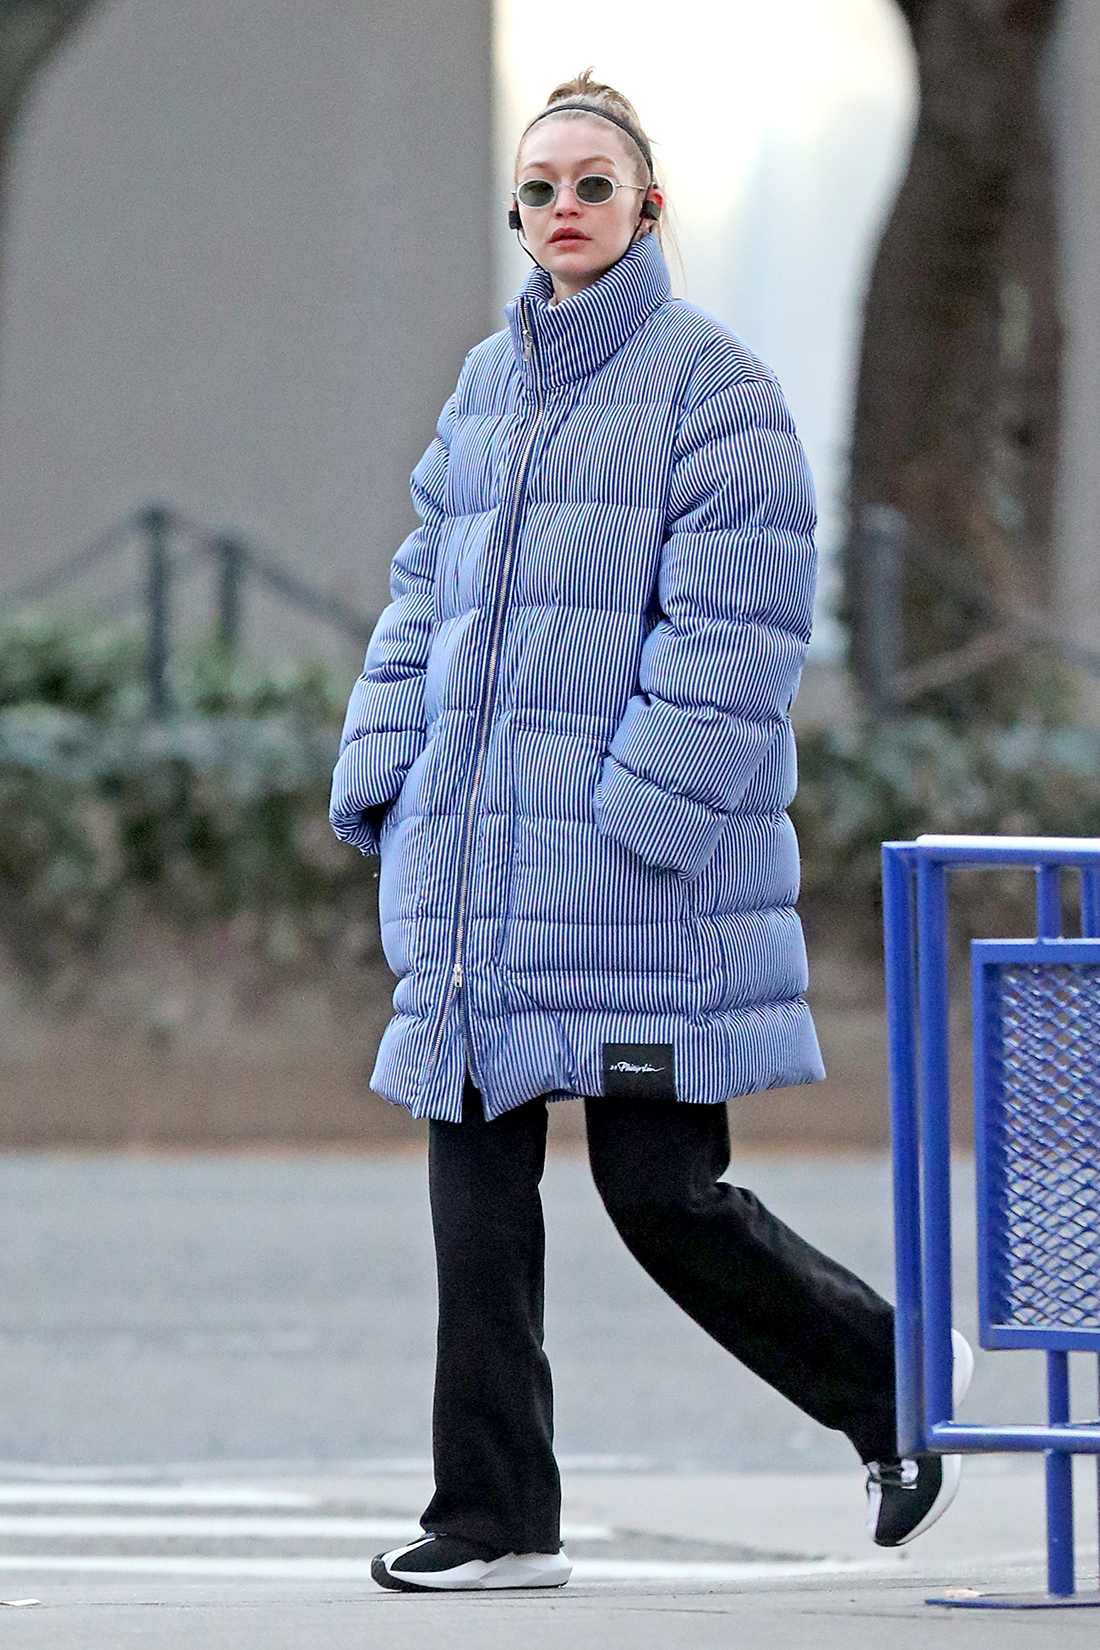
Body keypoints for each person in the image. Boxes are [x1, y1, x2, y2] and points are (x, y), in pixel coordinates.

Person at [330, 70, 972, 1594]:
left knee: (661, 1195)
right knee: (474, 1196)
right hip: (480, 883)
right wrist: (387, 760)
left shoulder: (713, 384)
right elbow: (425, 588)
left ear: (648, 205)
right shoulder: (489, 385)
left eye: (593, 185)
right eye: (541, 186)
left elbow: (738, 632)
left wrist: (638, 824)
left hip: (634, 885)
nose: (564, 209)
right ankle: (493, 1516)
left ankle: (894, 1388)